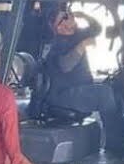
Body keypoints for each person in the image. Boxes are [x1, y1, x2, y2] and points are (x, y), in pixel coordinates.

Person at [45, 8, 119, 145]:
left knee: (115, 87)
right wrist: (83, 45)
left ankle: (123, 133)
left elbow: (96, 28)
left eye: (69, 14)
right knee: (104, 94)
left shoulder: (76, 35)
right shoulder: (58, 43)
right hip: (64, 94)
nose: (70, 16)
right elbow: (66, 65)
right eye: (65, 16)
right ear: (60, 27)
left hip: (79, 89)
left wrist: (84, 15)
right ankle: (114, 143)